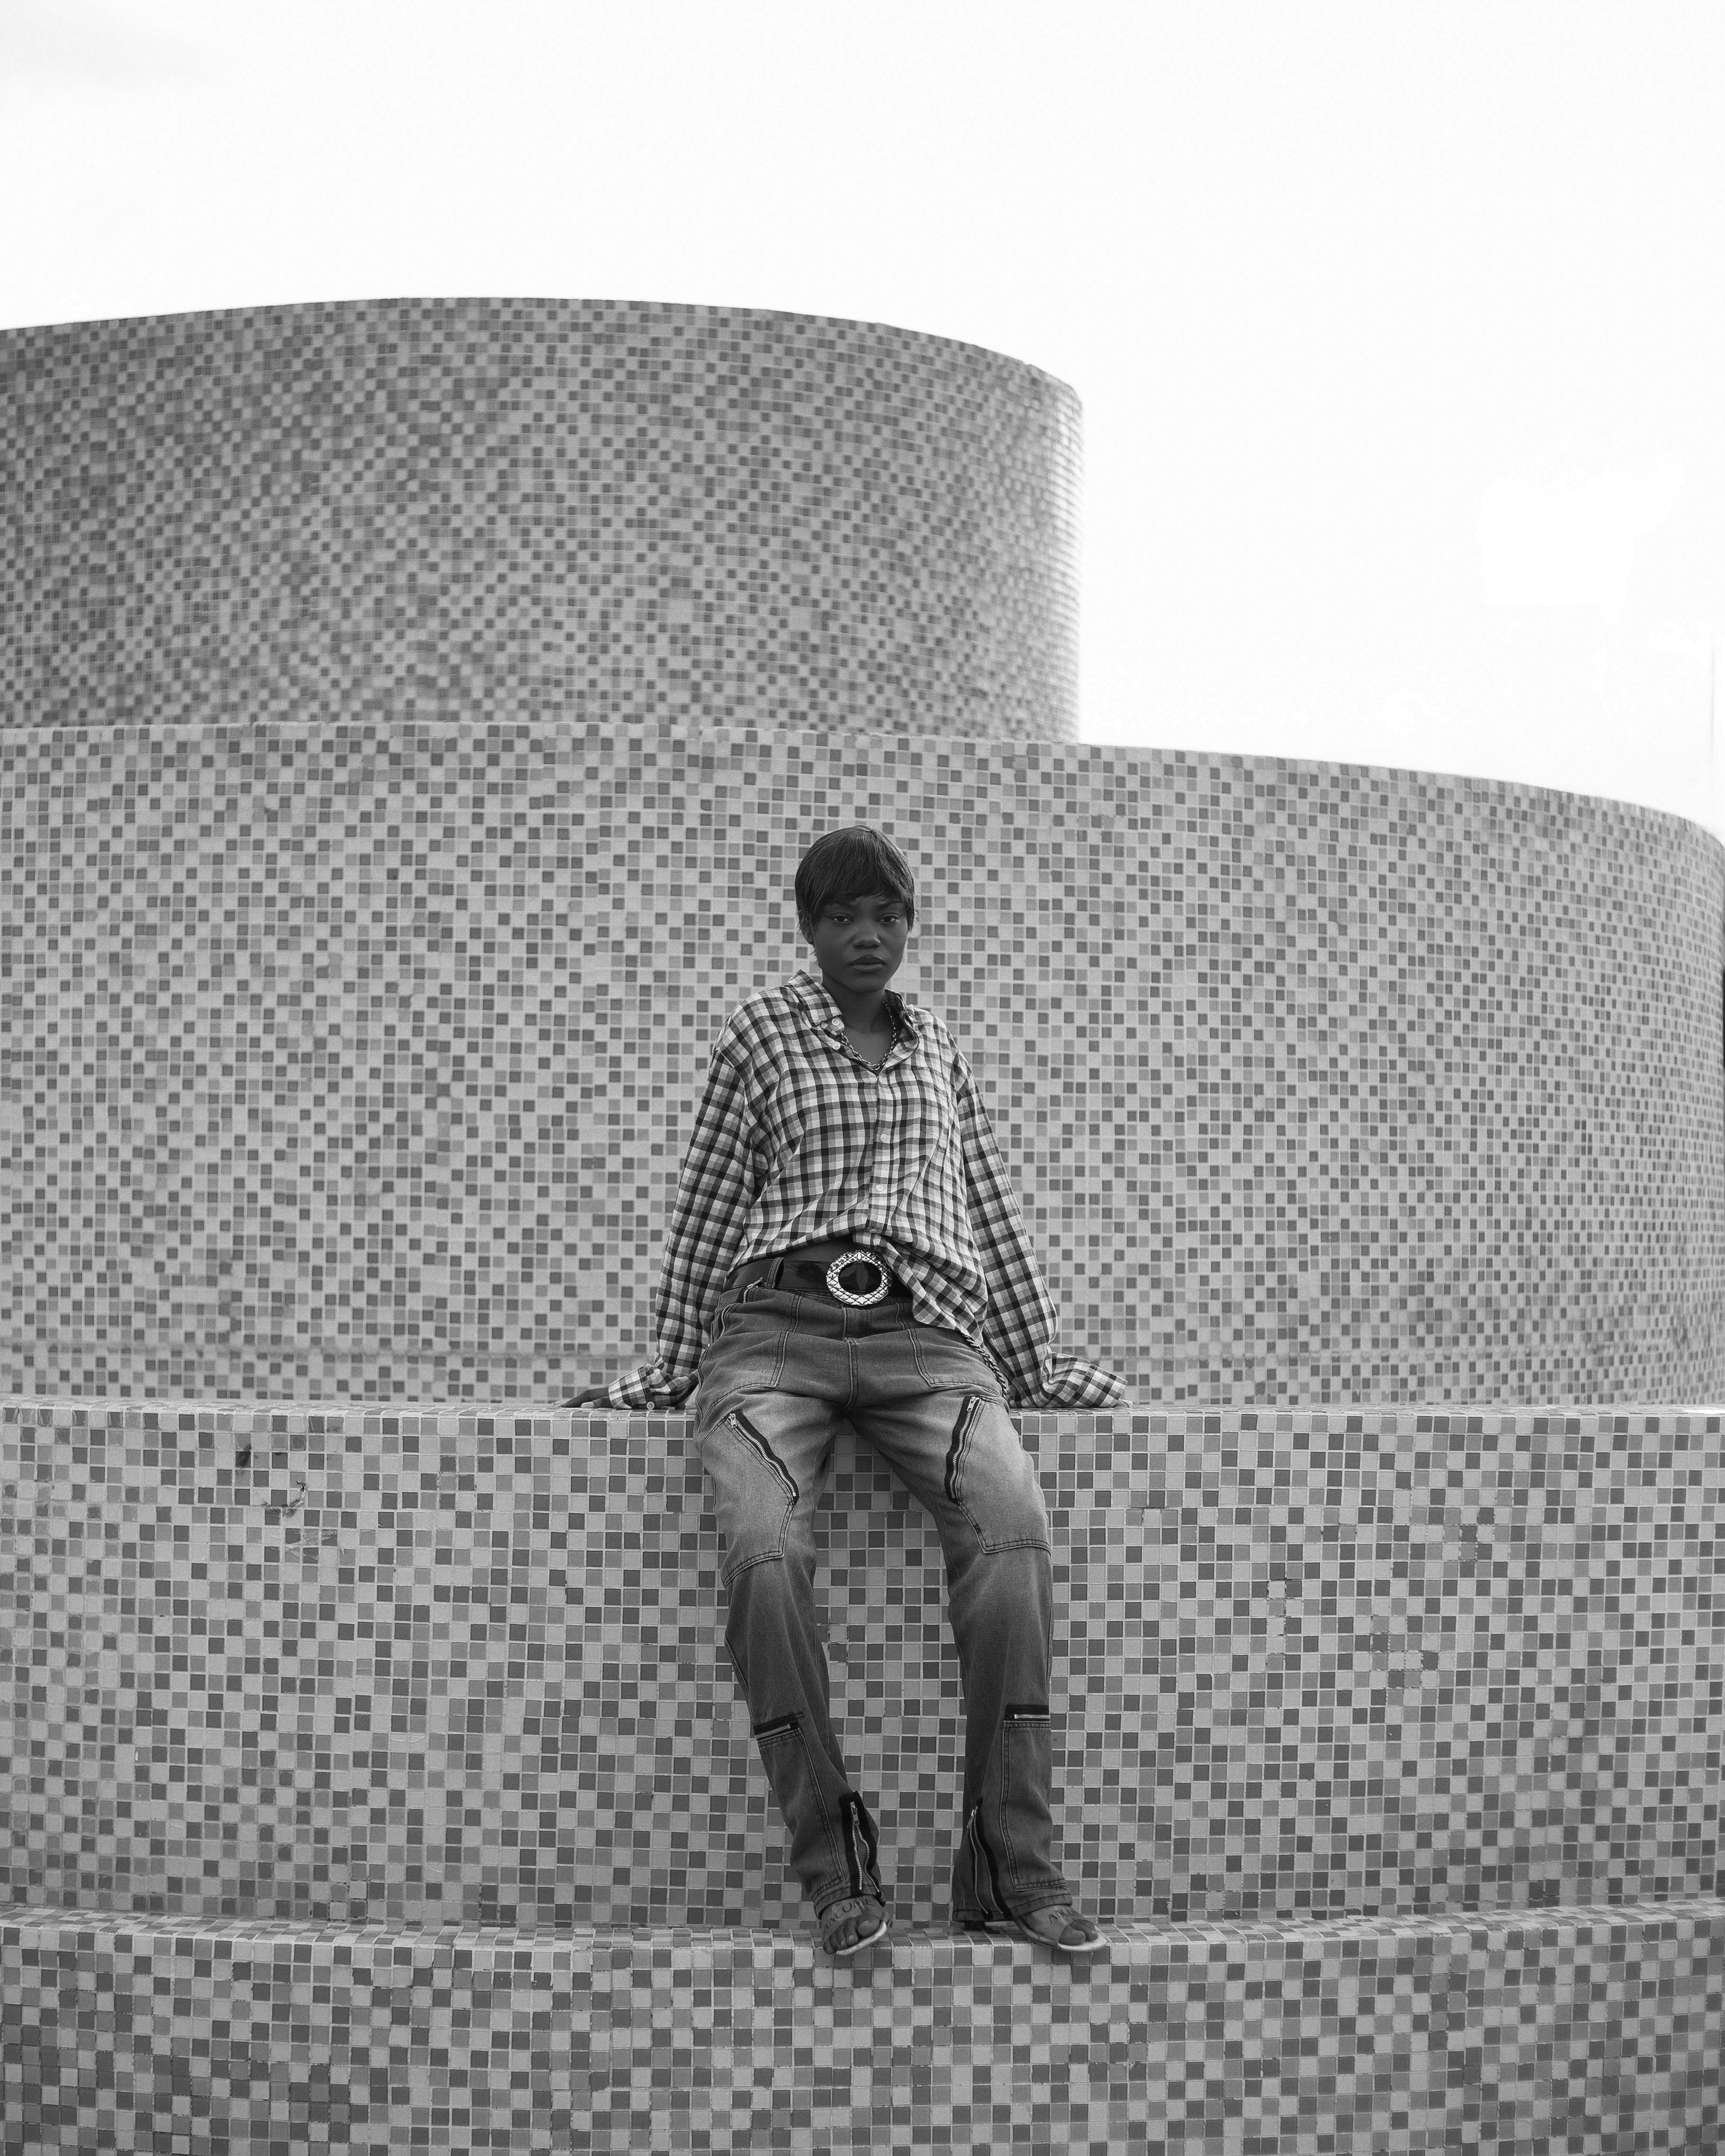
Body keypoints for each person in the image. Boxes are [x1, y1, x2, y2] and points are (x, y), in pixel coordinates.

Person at [564, 825, 1125, 1958]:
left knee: (1012, 1531)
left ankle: (1010, 1862)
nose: (867, 936)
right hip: (779, 1335)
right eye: (841, 916)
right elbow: (708, 1208)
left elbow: (982, 1208)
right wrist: (669, 1370)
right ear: (808, 927)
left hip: (928, 1341)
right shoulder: (762, 1035)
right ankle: (835, 1863)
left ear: (912, 923)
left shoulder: (937, 1049)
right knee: (765, 1548)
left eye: (887, 914)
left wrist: (1034, 1365)